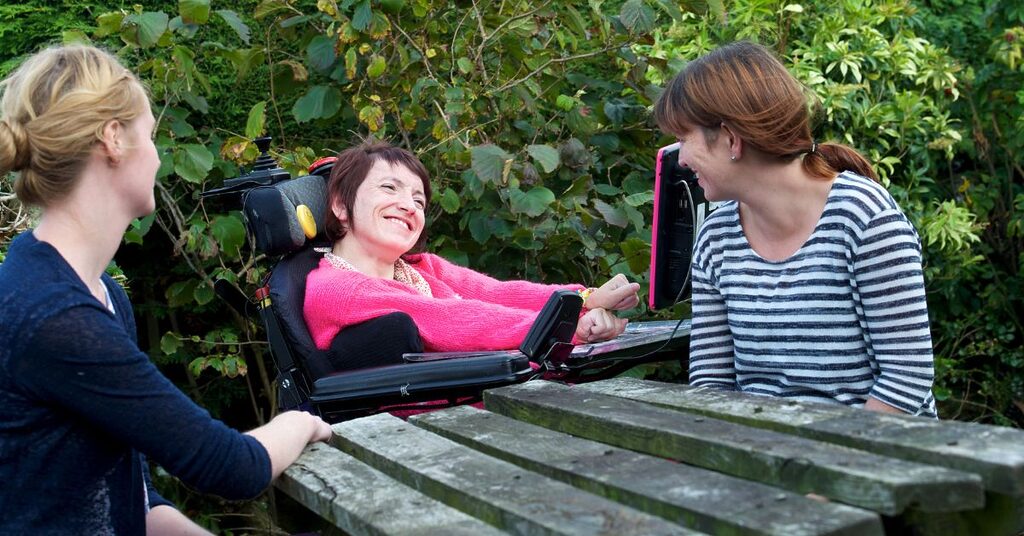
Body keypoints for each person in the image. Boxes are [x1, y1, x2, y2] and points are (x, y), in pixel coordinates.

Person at [0, 45, 333, 534]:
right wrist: (303, 421)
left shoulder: (100, 295)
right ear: (113, 139)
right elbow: (230, 466)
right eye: (150, 135)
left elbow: (133, 493)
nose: (156, 157)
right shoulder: (51, 313)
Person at [653, 41, 937, 417]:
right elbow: (711, 385)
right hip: (766, 456)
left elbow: (907, 377)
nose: (681, 159)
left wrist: (815, 463)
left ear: (731, 139)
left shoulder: (863, 217)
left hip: (875, 454)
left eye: (683, 139)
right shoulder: (716, 238)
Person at [303, 140, 640, 367]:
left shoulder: (422, 268)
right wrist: (569, 331)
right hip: (431, 426)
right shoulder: (337, 288)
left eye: (418, 200)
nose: (408, 205)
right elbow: (450, 320)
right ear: (341, 206)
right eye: (389, 188)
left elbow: (499, 294)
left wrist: (585, 298)